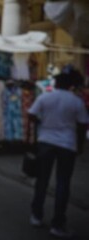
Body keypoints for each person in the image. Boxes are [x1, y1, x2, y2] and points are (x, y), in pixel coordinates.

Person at [28, 69, 89, 239]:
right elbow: (83, 124)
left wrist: (42, 124)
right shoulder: (76, 101)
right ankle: (57, 223)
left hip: (46, 140)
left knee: (42, 180)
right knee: (63, 183)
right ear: (70, 85)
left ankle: (36, 215)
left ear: (56, 83)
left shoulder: (45, 97)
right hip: (67, 144)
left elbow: (31, 114)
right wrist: (80, 144)